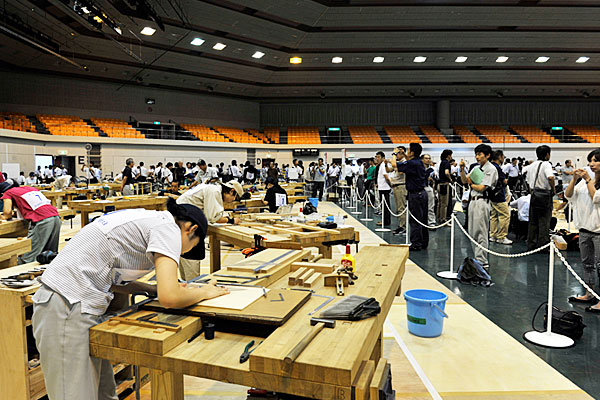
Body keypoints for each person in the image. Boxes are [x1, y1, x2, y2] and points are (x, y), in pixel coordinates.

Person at [31, 198, 229, 399]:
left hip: (73, 305)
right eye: (188, 247)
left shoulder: (151, 220)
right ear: (190, 229)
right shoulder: (168, 228)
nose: (181, 252)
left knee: (104, 394)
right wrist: (205, 292)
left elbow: (111, 278)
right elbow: (169, 298)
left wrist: (152, 289)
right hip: (66, 307)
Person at [176, 181, 243, 279]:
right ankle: (192, 284)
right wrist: (231, 220)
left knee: (184, 254)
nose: (232, 201)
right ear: (232, 191)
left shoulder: (212, 188)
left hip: (183, 218)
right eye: (234, 198)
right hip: (188, 220)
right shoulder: (214, 191)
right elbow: (213, 217)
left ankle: (186, 283)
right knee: (191, 256)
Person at [565, 149, 600, 313]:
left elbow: (596, 198)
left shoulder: (590, 181)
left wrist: (587, 180)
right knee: (587, 264)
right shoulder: (585, 181)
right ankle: (589, 293)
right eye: (590, 161)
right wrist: (574, 179)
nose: (592, 164)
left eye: (596, 160)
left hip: (598, 231)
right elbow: (568, 195)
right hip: (584, 228)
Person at [0, 180, 61, 264]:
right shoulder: (29, 188)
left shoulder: (8, 193)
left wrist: (3, 217)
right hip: (55, 217)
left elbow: (7, 213)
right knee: (49, 255)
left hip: (42, 220)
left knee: (29, 258)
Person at [460, 144, 498, 269]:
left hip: (482, 201)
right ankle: (477, 258)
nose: (477, 157)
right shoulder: (476, 168)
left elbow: (482, 188)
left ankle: (482, 260)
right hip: (472, 201)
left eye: (480, 154)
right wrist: (462, 169)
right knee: (472, 231)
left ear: (487, 155)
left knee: (480, 231)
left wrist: (471, 184)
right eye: (476, 154)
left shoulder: (491, 169)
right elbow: (465, 181)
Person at [394, 143, 428, 251]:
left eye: (408, 151)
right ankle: (423, 242)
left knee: (415, 220)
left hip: (415, 194)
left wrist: (394, 154)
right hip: (422, 193)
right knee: (423, 219)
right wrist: (404, 154)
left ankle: (416, 243)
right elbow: (409, 161)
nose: (407, 152)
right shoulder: (419, 162)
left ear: (412, 152)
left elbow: (395, 165)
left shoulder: (412, 163)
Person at [526, 145, 555, 251]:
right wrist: (553, 189)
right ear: (547, 154)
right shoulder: (546, 164)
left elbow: (527, 180)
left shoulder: (532, 165)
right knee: (544, 221)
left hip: (534, 194)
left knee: (533, 221)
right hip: (544, 195)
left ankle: (531, 244)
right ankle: (542, 245)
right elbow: (550, 177)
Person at [490, 150, 512, 245]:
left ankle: (493, 235)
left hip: (491, 195)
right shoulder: (497, 168)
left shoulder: (490, 166)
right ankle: (501, 237)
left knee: (494, 216)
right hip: (498, 195)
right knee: (505, 215)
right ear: (499, 157)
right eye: (503, 157)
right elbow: (503, 181)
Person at [390, 146, 407, 235]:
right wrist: (386, 164)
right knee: (398, 208)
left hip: (401, 186)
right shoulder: (399, 162)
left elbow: (400, 171)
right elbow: (389, 169)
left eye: (398, 153)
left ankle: (403, 227)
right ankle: (401, 225)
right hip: (396, 186)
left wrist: (393, 155)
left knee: (401, 208)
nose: (396, 155)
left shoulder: (404, 162)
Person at [375, 151, 392, 228]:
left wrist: (390, 185)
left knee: (385, 206)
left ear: (383, 158)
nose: (377, 158)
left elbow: (386, 177)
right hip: (382, 187)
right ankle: (384, 220)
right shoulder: (381, 165)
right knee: (383, 206)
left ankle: (386, 222)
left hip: (385, 188)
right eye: (376, 157)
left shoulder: (383, 165)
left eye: (378, 157)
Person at [436, 150, 453, 224]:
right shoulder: (447, 163)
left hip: (439, 184)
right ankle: (443, 219)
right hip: (445, 185)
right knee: (444, 204)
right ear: (448, 155)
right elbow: (446, 172)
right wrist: (450, 179)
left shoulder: (442, 162)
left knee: (439, 203)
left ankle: (438, 218)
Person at [422, 154, 436, 226]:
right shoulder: (419, 168)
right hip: (420, 188)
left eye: (429, 158)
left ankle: (431, 221)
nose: (428, 160)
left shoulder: (432, 169)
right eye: (426, 158)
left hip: (428, 187)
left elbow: (435, 178)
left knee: (431, 206)